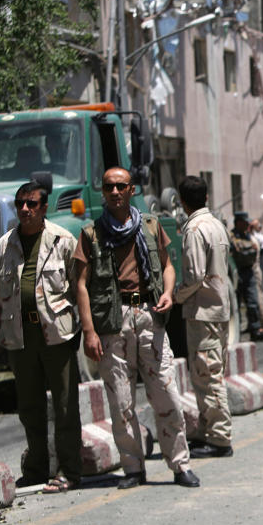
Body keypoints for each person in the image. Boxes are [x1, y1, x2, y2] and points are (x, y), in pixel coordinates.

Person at [74, 167, 201, 488]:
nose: (114, 192)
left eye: (120, 186)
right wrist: (89, 332)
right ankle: (133, 469)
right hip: (112, 323)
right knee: (121, 400)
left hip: (148, 315)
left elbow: (168, 265)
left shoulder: (150, 226)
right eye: (108, 187)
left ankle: (180, 464)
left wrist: (169, 293)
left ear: (132, 190)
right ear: (102, 192)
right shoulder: (91, 234)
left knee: (167, 394)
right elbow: (81, 285)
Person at [0, 180, 82, 493]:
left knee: (66, 405)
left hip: (57, 335)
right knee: (29, 407)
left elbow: (78, 285)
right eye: (20, 205)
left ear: (44, 207)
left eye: (31, 204)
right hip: (20, 337)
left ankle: (69, 470)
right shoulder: (4, 247)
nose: (25, 210)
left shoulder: (63, 241)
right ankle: (37, 468)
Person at [173, 176, 234, 458]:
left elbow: (195, 276)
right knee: (210, 372)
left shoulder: (194, 229)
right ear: (206, 198)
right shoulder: (217, 225)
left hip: (203, 312)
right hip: (219, 310)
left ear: (182, 201)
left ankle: (220, 438)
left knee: (208, 376)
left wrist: (175, 296)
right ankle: (208, 430)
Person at [230, 212, 263, 341]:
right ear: (239, 222)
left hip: (249, 272)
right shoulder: (231, 236)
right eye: (245, 222)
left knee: (253, 302)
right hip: (237, 273)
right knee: (235, 304)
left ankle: (255, 329)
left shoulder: (248, 236)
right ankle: (238, 334)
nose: (247, 225)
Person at [249, 218, 263, 330]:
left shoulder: (257, 238)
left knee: (262, 297)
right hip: (261, 271)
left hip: (260, 271)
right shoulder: (257, 236)